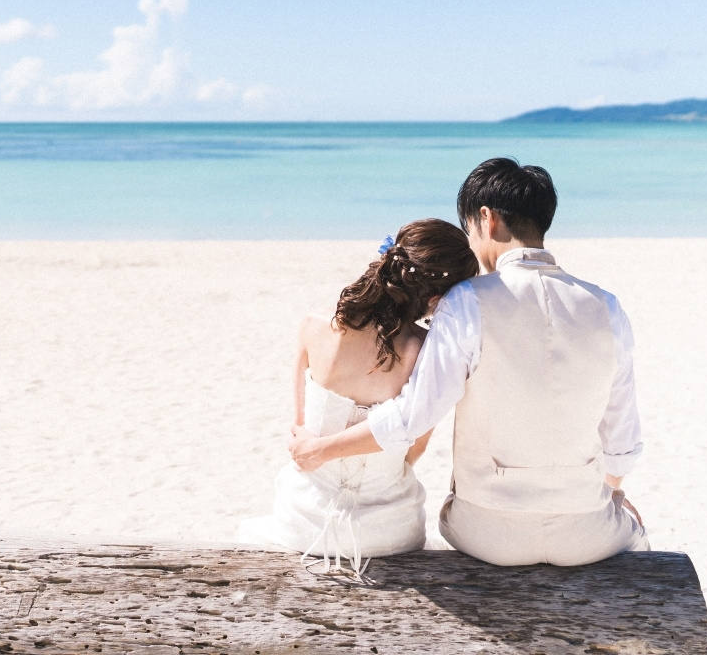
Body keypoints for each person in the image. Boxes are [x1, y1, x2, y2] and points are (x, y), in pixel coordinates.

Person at [289, 158, 648, 566]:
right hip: (586, 533)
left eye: (468, 232)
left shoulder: (466, 302)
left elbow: (412, 416)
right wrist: (613, 494)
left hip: (486, 534)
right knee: (637, 535)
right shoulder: (607, 307)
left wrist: (319, 450)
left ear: (486, 220)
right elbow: (621, 438)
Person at [238, 218, 479, 568]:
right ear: (435, 298)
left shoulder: (312, 327)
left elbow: (300, 427)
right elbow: (414, 448)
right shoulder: (423, 352)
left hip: (303, 522)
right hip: (389, 532)